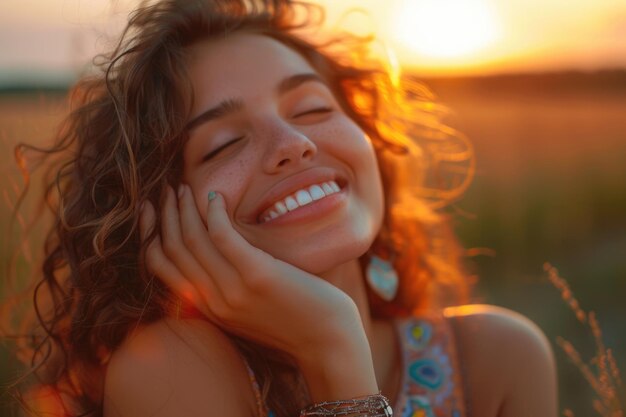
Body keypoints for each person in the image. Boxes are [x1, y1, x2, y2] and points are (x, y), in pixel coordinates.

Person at [5, 0, 558, 416]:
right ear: (157, 215)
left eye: (313, 107)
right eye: (221, 144)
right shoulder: (170, 371)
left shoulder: (499, 359)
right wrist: (334, 348)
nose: (293, 143)